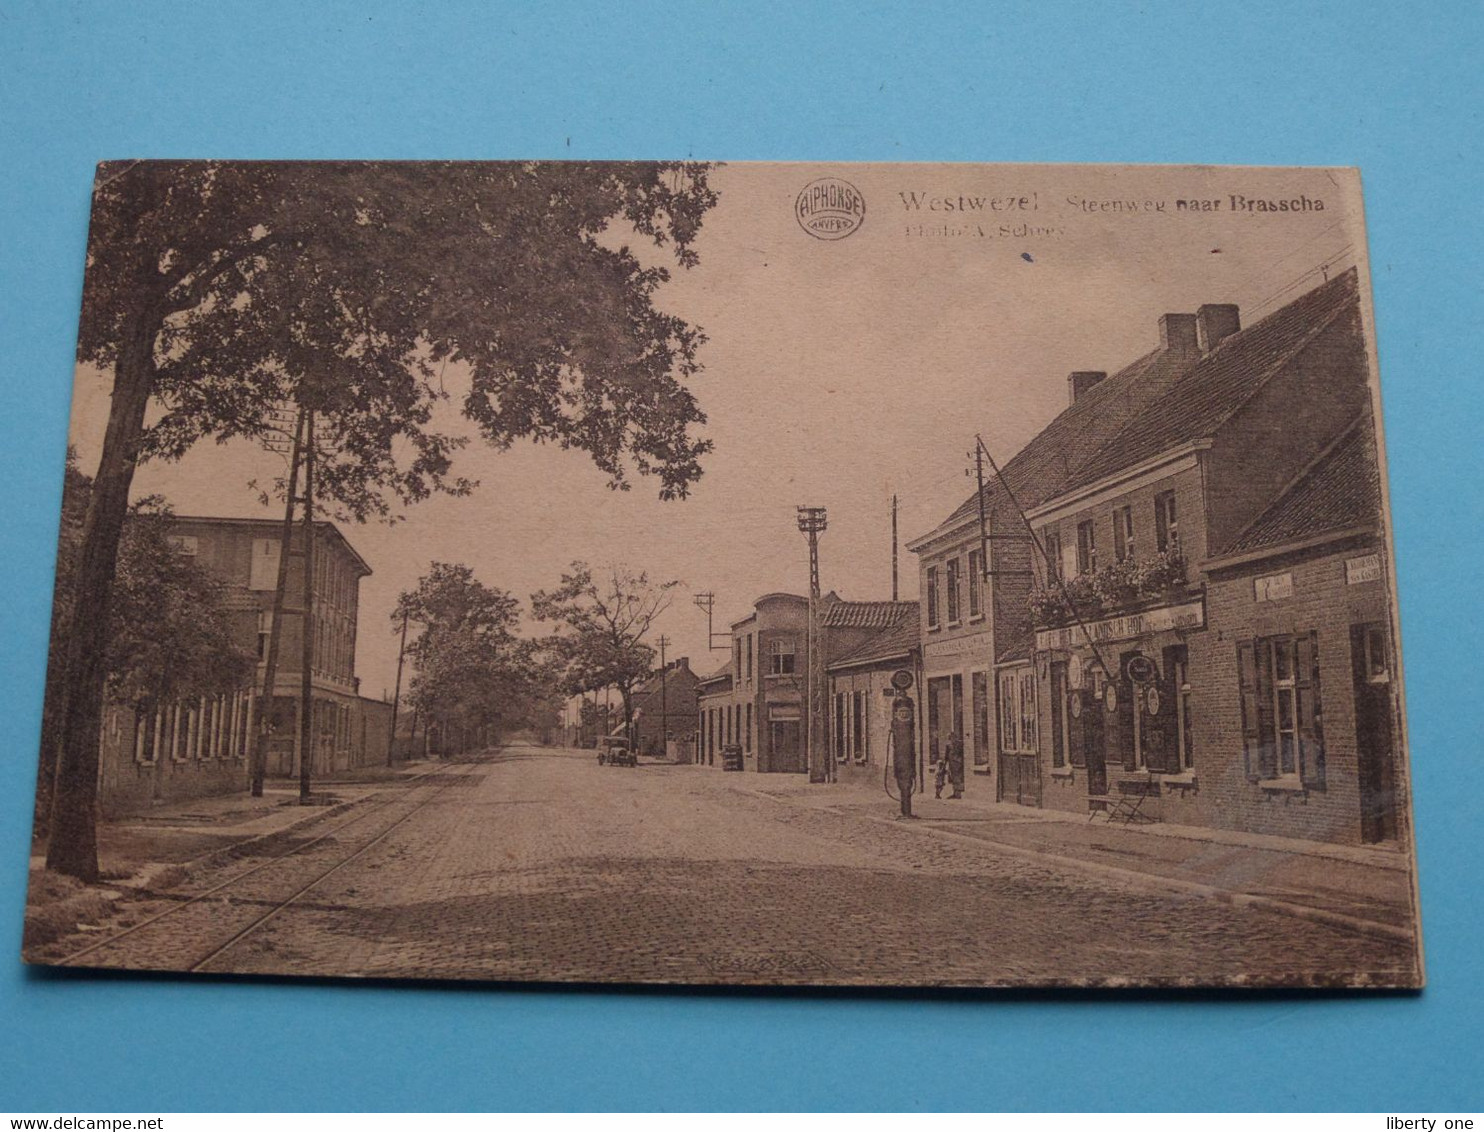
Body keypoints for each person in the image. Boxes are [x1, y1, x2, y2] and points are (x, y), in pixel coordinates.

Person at [943, 730, 966, 799]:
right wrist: (945, 763)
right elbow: (946, 755)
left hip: (957, 763)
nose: (950, 739)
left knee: (958, 777)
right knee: (954, 777)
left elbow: (961, 753)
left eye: (951, 737)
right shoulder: (950, 745)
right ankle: (955, 793)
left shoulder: (958, 744)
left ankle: (958, 793)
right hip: (953, 763)